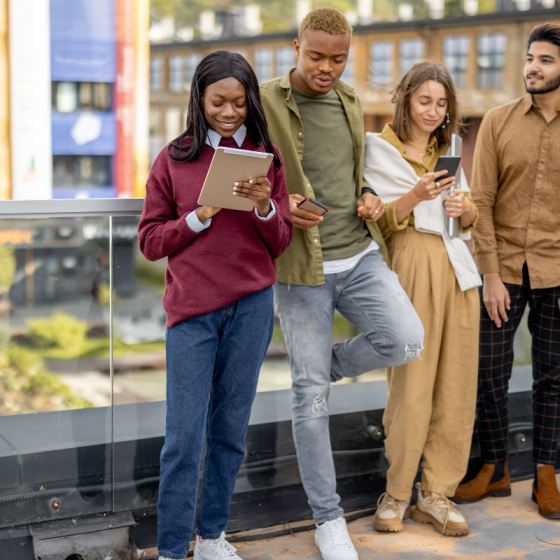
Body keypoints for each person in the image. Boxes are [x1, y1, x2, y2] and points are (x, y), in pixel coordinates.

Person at [260, 8, 424, 559]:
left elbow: (355, 177)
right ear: (296, 46)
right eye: (316, 56)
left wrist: (371, 198)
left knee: (405, 340)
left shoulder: (350, 101)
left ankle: (316, 368)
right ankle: (328, 520)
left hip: (358, 255)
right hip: (301, 271)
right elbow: (237, 177)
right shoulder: (263, 101)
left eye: (338, 58)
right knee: (311, 403)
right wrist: (278, 204)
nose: (327, 68)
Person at [138, 50, 293, 560]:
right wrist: (201, 215)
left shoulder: (267, 159)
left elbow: (280, 241)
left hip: (251, 307)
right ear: (199, 100)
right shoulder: (174, 158)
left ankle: (210, 538)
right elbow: (151, 241)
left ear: (251, 100)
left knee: (229, 431)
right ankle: (170, 551)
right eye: (217, 103)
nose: (229, 113)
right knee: (183, 438)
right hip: (192, 313)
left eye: (239, 103)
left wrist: (265, 206)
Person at [363, 62, 481, 537]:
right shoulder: (377, 149)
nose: (433, 111)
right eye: (424, 101)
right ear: (406, 100)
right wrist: (416, 194)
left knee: (455, 387)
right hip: (410, 264)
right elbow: (378, 220)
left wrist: (464, 207)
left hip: (457, 268)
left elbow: (468, 217)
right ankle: (395, 492)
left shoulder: (448, 150)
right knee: (410, 385)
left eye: (441, 102)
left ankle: (436, 495)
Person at [454, 23, 560, 519]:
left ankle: (544, 473)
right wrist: (491, 274)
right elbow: (483, 200)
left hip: (557, 272)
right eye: (530, 58)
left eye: (546, 61)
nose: (533, 68)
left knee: (553, 377)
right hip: (506, 271)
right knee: (488, 370)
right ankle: (495, 466)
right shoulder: (497, 121)